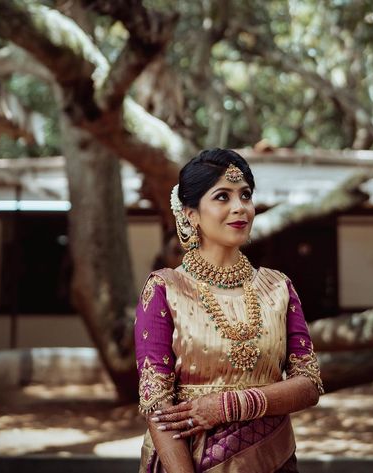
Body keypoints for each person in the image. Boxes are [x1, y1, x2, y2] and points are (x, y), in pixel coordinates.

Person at [134, 148, 324, 473]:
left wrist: (228, 405)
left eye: (246, 195)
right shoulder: (165, 289)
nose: (240, 208)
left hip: (272, 459)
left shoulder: (277, 288)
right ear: (191, 214)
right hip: (188, 461)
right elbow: (158, 407)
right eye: (222, 197)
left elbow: (308, 384)